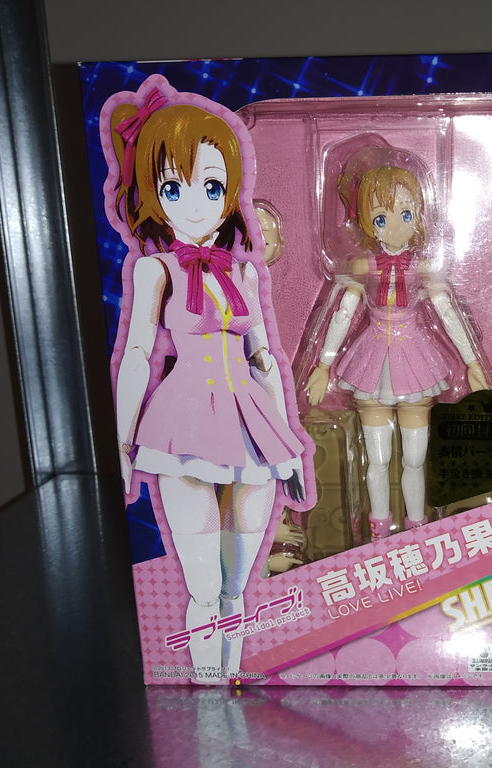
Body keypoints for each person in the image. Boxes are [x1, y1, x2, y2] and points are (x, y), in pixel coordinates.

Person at [103, 77, 310, 682]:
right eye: (174, 187)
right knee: (201, 586)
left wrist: (291, 448)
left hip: (252, 424)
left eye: (212, 186)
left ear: (229, 192)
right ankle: (208, 692)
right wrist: (121, 448)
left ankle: (233, 684)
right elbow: (137, 353)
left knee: (235, 587)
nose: (195, 204)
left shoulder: (241, 274)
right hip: (183, 424)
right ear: (153, 195)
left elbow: (265, 358)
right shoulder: (156, 270)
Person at [306, 160, 487, 538]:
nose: (395, 227)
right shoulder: (362, 264)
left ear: (419, 214)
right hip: (370, 360)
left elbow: (447, 312)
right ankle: (379, 533)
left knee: (415, 460)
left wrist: (472, 362)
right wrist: (322, 365)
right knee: (376, 461)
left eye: (406, 214)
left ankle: (417, 528)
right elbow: (342, 314)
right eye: (381, 218)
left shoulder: (423, 266)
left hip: (416, 359)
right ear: (366, 223)